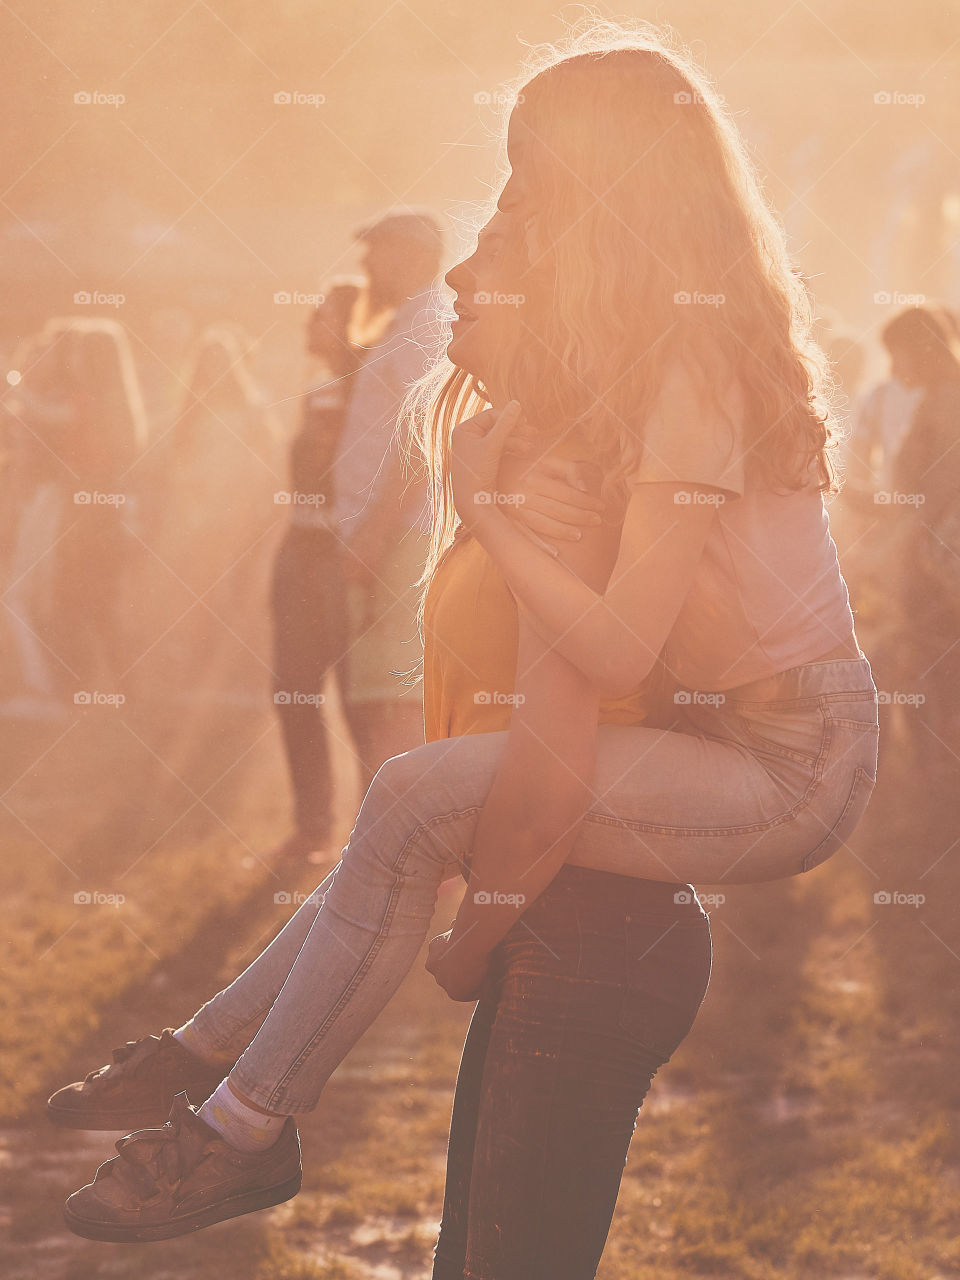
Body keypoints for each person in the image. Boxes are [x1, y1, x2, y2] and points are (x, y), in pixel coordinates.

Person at [52, 22, 879, 1274]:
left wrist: (487, 504)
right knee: (414, 809)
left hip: (794, 758)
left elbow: (605, 649)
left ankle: (236, 1115)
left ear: (612, 192)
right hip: (723, 729)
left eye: (531, 182)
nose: (508, 216)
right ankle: (214, 1066)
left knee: (409, 798)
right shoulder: (634, 371)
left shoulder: (692, 366)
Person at [331, 208, 447, 795]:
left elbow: (422, 434)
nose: (366, 262)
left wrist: (374, 535)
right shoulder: (407, 322)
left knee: (397, 702)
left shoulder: (428, 323)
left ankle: (407, 854)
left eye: (376, 249)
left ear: (408, 253)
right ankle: (389, 847)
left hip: (402, 535)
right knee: (381, 698)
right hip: (389, 533)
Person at [269, 280, 365, 862]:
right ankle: (314, 829)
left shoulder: (367, 392)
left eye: (320, 313)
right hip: (301, 553)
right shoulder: (318, 389)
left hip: (345, 558)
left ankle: (388, 835)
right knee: (294, 691)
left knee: (364, 699)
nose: (307, 321)